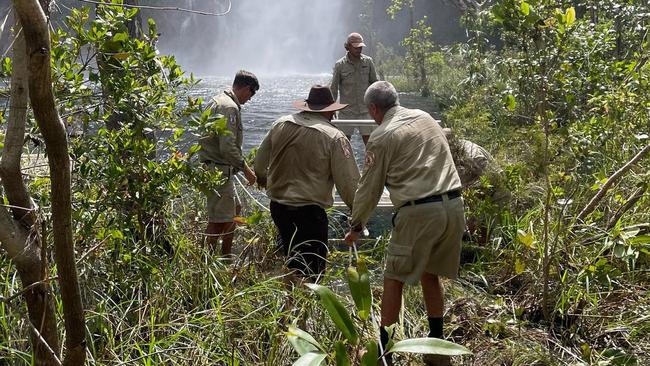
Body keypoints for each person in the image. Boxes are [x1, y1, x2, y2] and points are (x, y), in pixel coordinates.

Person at [344, 81, 465, 366]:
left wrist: (356, 225)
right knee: (430, 274)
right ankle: (437, 351)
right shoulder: (424, 117)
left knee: (393, 278)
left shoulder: (382, 136)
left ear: (374, 109)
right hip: (454, 206)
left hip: (419, 213)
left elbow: (369, 189)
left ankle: (385, 353)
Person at [254, 85, 360, 282]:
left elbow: (259, 163)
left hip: (279, 209)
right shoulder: (334, 137)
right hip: (309, 214)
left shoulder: (281, 124)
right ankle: (306, 309)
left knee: (291, 261)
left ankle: (289, 305)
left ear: (307, 106)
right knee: (313, 273)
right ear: (332, 111)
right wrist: (359, 216)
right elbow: (349, 183)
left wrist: (264, 180)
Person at [199, 70, 259, 257]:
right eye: (252, 93)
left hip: (213, 167)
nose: (250, 98)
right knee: (218, 221)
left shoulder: (217, 100)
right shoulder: (230, 108)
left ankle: (226, 256)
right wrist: (247, 170)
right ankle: (207, 262)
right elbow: (227, 147)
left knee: (236, 209)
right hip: (218, 169)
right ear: (246, 88)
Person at [443, 128, 510, 244]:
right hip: (477, 195)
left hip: (495, 195)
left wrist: (475, 217)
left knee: (488, 233)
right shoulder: (451, 152)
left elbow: (490, 183)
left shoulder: (472, 155)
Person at [330, 32, 379, 145]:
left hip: (365, 110)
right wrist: (331, 109)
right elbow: (334, 89)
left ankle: (371, 163)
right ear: (348, 47)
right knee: (342, 145)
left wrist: (378, 106)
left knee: (371, 144)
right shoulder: (340, 65)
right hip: (346, 111)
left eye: (361, 46)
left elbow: (375, 84)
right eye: (356, 47)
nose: (359, 49)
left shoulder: (368, 62)